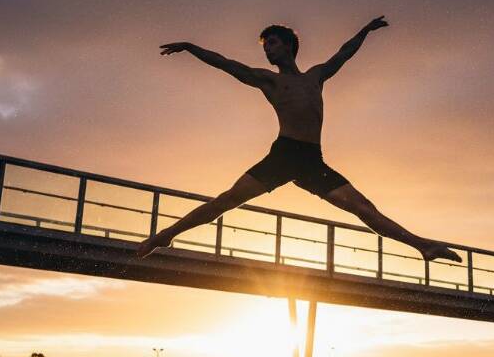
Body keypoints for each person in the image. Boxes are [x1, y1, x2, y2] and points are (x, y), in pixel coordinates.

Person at [136, 16, 461, 264]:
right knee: (224, 202)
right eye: (265, 47)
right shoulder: (269, 81)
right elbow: (226, 64)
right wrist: (191, 48)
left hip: (311, 161)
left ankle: (424, 246)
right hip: (283, 155)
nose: (267, 51)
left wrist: (365, 31)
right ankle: (165, 236)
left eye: (273, 44)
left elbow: (344, 54)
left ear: (288, 46)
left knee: (364, 208)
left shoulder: (315, 77)